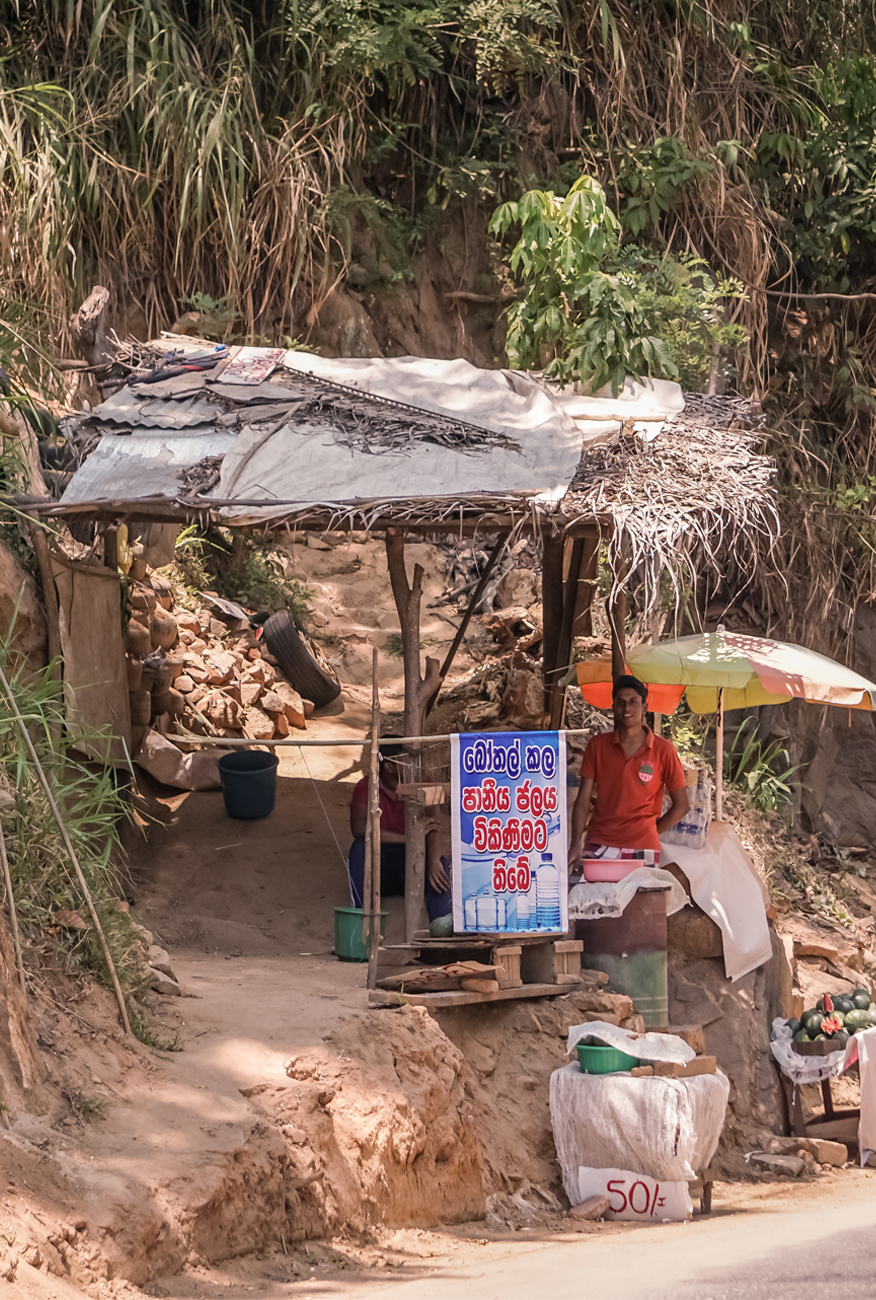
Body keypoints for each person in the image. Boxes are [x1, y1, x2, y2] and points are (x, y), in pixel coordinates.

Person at [568, 674, 690, 880]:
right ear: (613, 707)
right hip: (599, 843)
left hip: (643, 848)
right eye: (621, 703)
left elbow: (682, 805)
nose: (627, 708)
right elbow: (582, 800)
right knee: (596, 907)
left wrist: (651, 831)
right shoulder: (597, 746)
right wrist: (575, 845)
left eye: (633, 702)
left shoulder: (663, 750)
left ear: (644, 707)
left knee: (640, 909)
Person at [347, 743, 452, 921]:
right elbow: (359, 829)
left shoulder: (425, 782)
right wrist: (410, 839)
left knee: (442, 866)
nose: (416, 764)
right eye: (408, 760)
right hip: (382, 862)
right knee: (359, 849)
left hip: (414, 860)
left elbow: (435, 825)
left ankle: (442, 925)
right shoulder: (365, 786)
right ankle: (361, 917)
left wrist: (434, 860)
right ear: (389, 767)